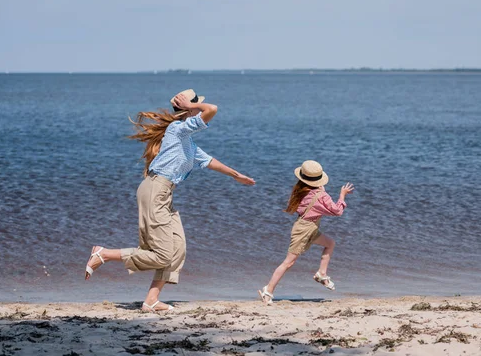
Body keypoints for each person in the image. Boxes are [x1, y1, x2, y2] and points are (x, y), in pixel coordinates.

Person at [84, 89, 255, 312]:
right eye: (194, 107)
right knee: (162, 254)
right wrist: (193, 107)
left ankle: (151, 300)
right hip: (156, 190)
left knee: (177, 249)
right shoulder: (177, 129)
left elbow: (209, 161)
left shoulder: (186, 140)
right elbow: (212, 109)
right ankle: (104, 254)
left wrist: (236, 175)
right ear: (188, 109)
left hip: (163, 193)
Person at [258, 160, 354, 305]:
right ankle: (268, 290)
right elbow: (337, 211)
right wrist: (342, 195)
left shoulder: (300, 189)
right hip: (304, 229)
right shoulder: (321, 195)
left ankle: (321, 274)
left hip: (308, 226)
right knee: (288, 262)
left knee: (330, 243)